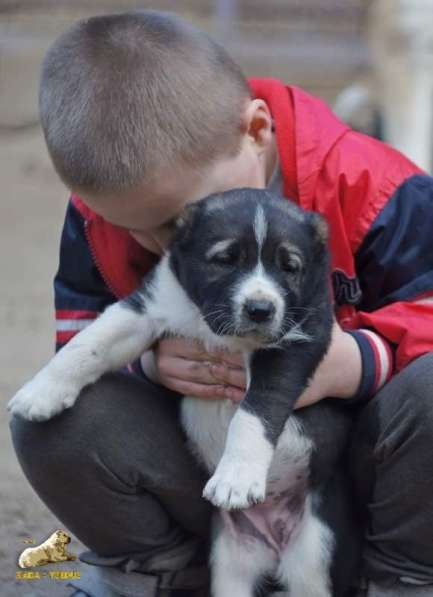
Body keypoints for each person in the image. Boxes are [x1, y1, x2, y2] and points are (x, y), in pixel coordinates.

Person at [8, 9, 433, 597]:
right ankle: (167, 569)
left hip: (355, 478)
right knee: (55, 420)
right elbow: (79, 336)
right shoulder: (105, 212)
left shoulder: (374, 185)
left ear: (255, 131)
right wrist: (148, 362)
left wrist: (357, 363)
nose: (172, 244)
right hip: (204, 478)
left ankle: (404, 573)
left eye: (185, 219)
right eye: (146, 230)